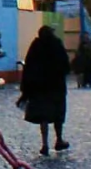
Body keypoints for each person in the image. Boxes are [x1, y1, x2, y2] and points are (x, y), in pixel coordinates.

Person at [18, 25, 71, 156]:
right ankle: (59, 139)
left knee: (43, 116)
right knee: (58, 114)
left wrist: (25, 90)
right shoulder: (56, 44)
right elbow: (65, 65)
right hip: (56, 86)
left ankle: (45, 144)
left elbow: (28, 68)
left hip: (39, 88)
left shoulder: (36, 46)